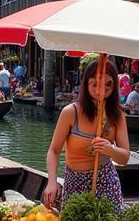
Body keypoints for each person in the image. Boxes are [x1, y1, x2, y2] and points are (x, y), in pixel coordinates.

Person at [43, 57, 131, 210]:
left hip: (106, 182)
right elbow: (54, 150)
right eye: (94, 85)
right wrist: (52, 181)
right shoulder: (71, 112)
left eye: (107, 86)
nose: (100, 92)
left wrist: (110, 150)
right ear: (86, 84)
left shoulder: (117, 115)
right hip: (74, 181)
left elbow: (124, 158)